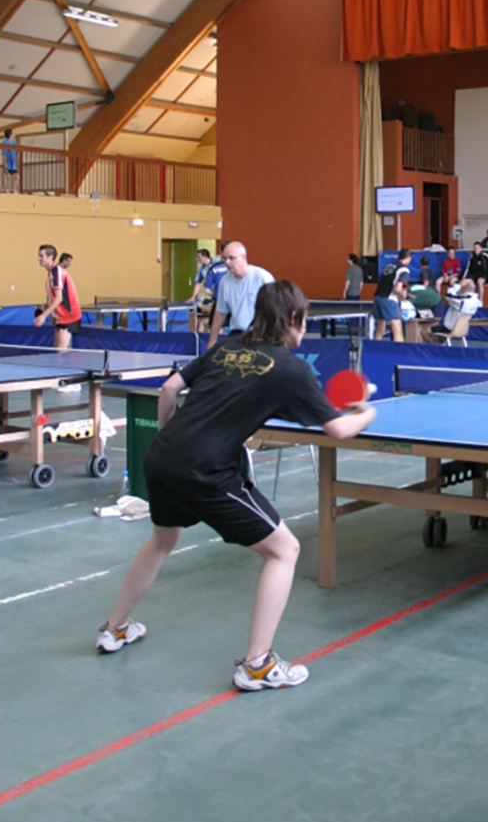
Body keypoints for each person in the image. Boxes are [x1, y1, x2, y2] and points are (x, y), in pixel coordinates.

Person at [95, 281, 375, 689]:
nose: (305, 326)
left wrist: (166, 437)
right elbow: (339, 430)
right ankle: (258, 664)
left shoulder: (226, 348)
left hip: (161, 458)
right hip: (206, 472)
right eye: (304, 318)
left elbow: (170, 388)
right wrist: (366, 411)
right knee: (285, 550)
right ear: (293, 318)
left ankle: (114, 628)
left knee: (162, 540)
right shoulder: (291, 369)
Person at [208, 242, 274, 348]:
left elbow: (274, 309)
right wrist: (213, 339)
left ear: (243, 257)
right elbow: (220, 312)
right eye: (224, 259)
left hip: (260, 335)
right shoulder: (224, 282)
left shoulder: (263, 277)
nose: (227, 262)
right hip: (236, 334)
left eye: (231, 258)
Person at [35, 243, 81, 349]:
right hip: (61, 317)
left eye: (41, 256)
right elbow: (57, 298)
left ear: (50, 257)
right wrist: (46, 306)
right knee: (57, 350)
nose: (38, 259)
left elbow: (59, 298)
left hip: (69, 317)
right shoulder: (51, 274)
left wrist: (43, 316)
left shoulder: (56, 272)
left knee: (61, 352)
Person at [373, 260, 409, 341]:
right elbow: (397, 289)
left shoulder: (389, 266)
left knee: (380, 329)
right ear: (408, 258)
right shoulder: (404, 270)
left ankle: (376, 347)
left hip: (377, 297)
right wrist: (403, 292)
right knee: (397, 329)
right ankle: (397, 349)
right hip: (389, 299)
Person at [2, 127, 18, 192]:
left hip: (13, 162)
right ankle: (7, 189)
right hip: (7, 160)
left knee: (16, 176)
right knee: (6, 175)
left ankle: (14, 189)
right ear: (10, 134)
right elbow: (4, 152)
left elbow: (17, 149)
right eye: (13, 133)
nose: (14, 134)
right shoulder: (5, 142)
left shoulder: (14, 142)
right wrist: (5, 161)